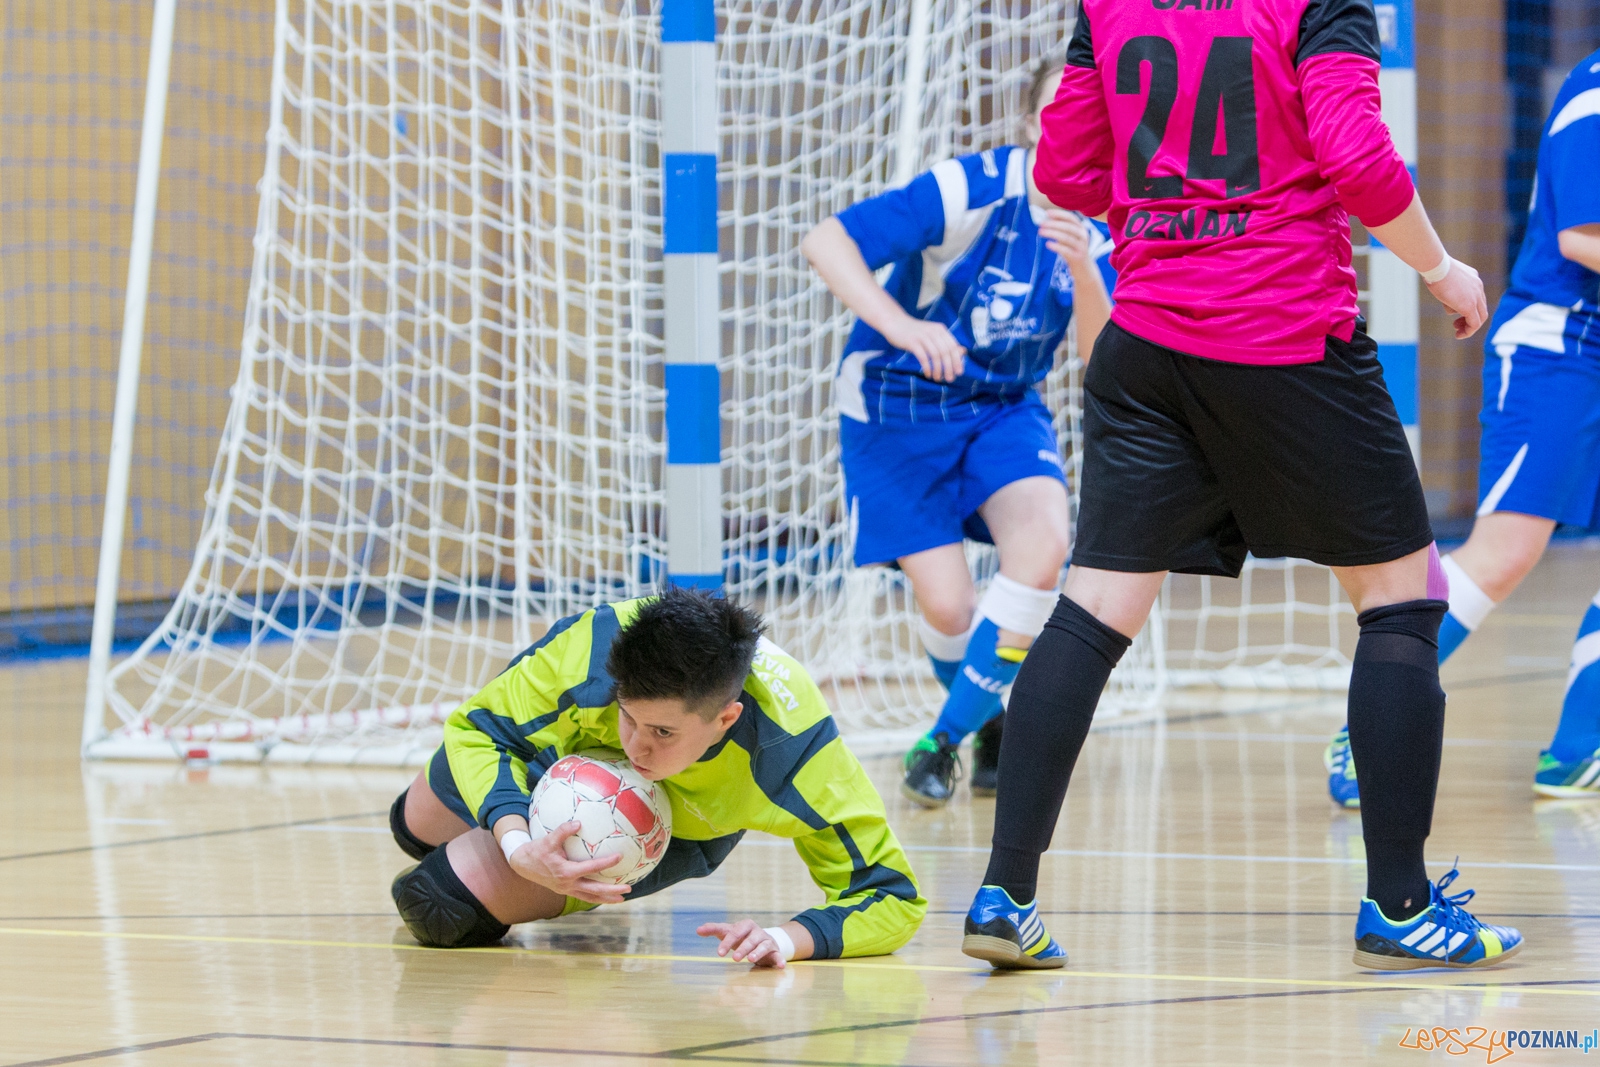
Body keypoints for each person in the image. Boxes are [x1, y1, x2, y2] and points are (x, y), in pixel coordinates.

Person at [961, 0, 1523, 973]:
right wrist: (1439, 267)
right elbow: (1356, 157)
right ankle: (1398, 901)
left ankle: (1003, 892)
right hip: (1280, 335)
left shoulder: (1111, 6)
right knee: (1402, 599)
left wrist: (1169, 209)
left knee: (1089, 613)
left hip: (1144, 346)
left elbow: (1061, 173)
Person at [801, 59, 1117, 808]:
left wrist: (1088, 273)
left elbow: (1100, 358)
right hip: (896, 402)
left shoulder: (1110, 219)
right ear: (1036, 121)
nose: (1076, 126)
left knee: (1043, 549)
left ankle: (940, 739)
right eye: (1060, 111)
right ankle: (989, 720)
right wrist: (905, 327)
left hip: (1004, 405)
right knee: (947, 606)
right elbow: (825, 243)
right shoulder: (968, 188)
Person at [1324, 47, 1600, 807]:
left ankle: (1577, 748)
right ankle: (1367, 728)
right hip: (1561, 345)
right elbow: (1582, 235)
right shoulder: (1594, 93)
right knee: (1508, 550)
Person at [387, 588, 926, 965]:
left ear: (725, 720)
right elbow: (480, 726)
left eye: (663, 733)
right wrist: (516, 840)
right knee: (412, 827)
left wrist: (785, 940)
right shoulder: (592, 650)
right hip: (557, 756)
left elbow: (893, 895)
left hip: (679, 827)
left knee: (437, 904)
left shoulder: (795, 753)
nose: (637, 745)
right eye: (627, 717)